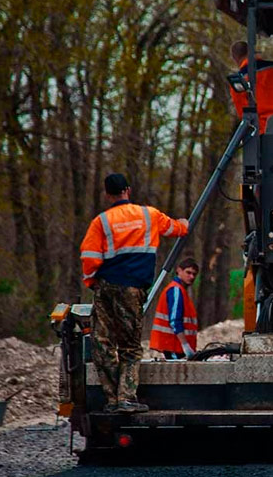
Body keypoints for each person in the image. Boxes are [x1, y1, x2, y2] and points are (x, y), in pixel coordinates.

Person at [80, 173, 189, 413]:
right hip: (132, 288)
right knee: (129, 346)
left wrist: (92, 282)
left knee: (103, 343)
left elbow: (90, 258)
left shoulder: (101, 222)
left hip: (106, 287)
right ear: (128, 190)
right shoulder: (149, 215)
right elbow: (177, 228)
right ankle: (126, 398)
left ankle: (111, 399)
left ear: (107, 194)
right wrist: (184, 223)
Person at [149, 258, 200, 360]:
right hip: (173, 345)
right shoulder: (176, 290)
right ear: (179, 270)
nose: (191, 277)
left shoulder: (180, 290)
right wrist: (185, 345)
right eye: (188, 272)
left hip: (175, 345)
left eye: (194, 274)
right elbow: (175, 321)